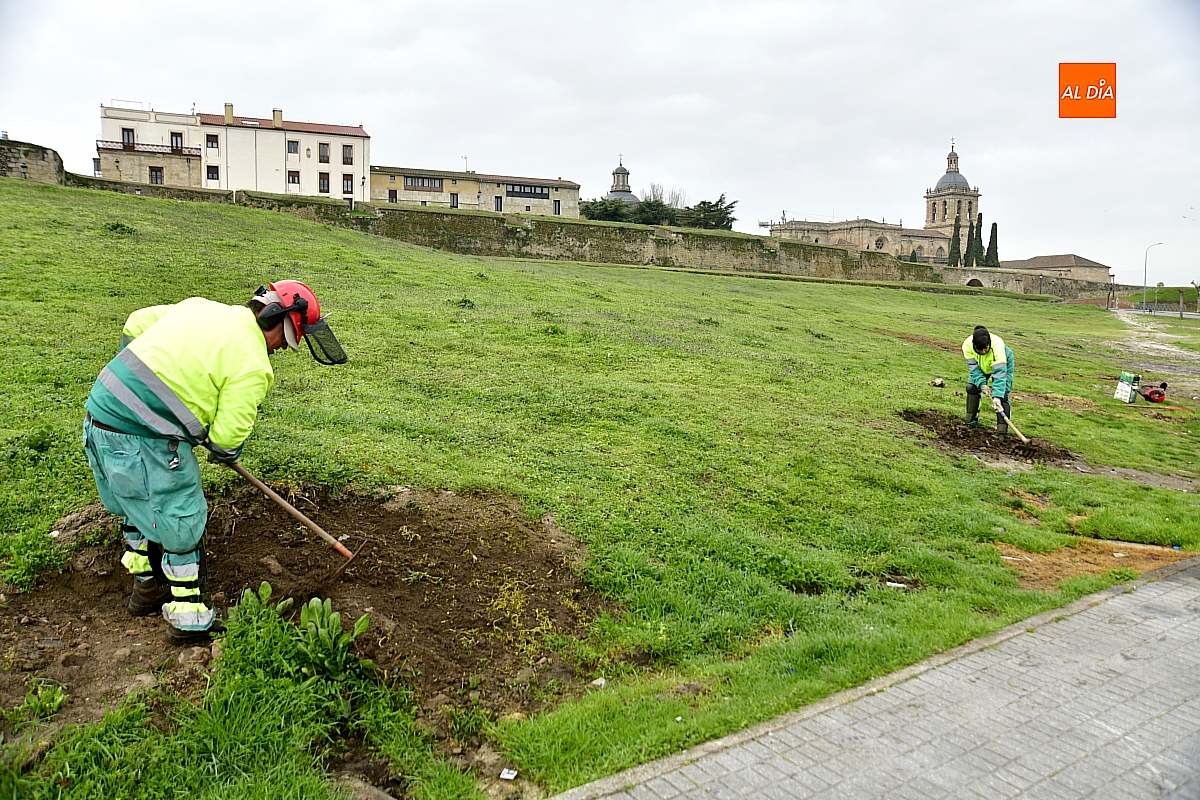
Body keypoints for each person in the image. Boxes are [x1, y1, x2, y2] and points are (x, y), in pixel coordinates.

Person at [82, 281, 347, 643]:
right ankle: (189, 620)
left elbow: (136, 323)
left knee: (140, 505)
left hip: (100, 415)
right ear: (276, 320)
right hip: (145, 437)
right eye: (286, 340)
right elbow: (225, 440)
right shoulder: (253, 363)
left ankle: (146, 588)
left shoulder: (202, 307)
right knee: (180, 515)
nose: (284, 348)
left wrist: (137, 381)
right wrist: (224, 452)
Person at [962, 325, 1014, 436]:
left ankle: (1002, 431)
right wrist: (982, 384)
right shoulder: (967, 346)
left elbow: (999, 375)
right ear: (974, 346)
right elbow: (974, 369)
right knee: (972, 387)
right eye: (980, 350)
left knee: (1002, 395)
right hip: (981, 365)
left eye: (986, 348)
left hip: (1004, 364)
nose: (984, 351)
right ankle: (970, 420)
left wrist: (997, 397)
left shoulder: (998, 347)